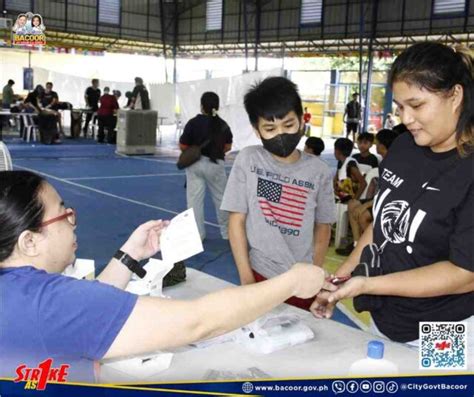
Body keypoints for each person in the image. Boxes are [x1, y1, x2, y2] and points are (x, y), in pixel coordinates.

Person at [0, 170, 332, 382]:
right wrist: (290, 282)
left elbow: (89, 317)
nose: (73, 220)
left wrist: (129, 256)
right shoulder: (52, 302)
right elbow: (196, 322)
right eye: (63, 214)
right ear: (29, 241)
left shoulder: (24, 295)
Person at [311, 42, 474, 361]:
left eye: (417, 105)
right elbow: (382, 226)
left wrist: (367, 285)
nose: (407, 118)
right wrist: (340, 281)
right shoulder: (403, 148)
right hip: (386, 319)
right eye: (400, 107)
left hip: (447, 329)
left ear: (455, 95)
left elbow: (464, 274)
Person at [221, 77, 336, 311]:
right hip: (259, 273)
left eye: (289, 125)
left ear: (303, 120)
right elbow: (236, 221)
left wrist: (315, 272)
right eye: (270, 129)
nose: (281, 134)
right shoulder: (248, 160)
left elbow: (323, 227)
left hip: (301, 279)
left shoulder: (319, 171)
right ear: (257, 130)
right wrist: (246, 280)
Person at [336, 129, 398, 256]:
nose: (376, 146)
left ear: (382, 145)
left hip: (389, 202)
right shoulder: (385, 162)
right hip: (377, 199)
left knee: (363, 215)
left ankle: (375, 249)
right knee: (353, 204)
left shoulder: (393, 163)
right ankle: (356, 245)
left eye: (377, 143)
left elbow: (388, 194)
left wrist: (366, 204)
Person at [179, 92, 232, 240]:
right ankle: (227, 233)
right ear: (218, 106)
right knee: (221, 199)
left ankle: (197, 235)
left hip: (195, 165)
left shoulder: (193, 123)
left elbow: (183, 145)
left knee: (194, 201)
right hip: (216, 165)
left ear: (201, 106)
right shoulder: (223, 125)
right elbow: (228, 146)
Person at [333, 138, 367, 202]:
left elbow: (363, 184)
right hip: (340, 196)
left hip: (348, 200)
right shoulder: (340, 162)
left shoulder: (351, 166)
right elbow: (335, 179)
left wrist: (354, 201)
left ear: (337, 151)